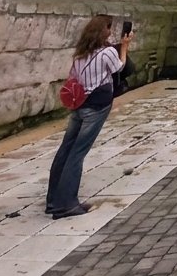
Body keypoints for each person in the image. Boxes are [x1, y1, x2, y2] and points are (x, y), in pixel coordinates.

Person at [46, 14, 132, 219]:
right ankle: (66, 204)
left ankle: (52, 200)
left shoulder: (80, 54)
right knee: (78, 153)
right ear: (104, 31)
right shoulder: (106, 53)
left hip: (79, 105)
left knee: (66, 150)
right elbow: (119, 67)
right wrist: (125, 46)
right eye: (109, 28)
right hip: (97, 106)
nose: (111, 31)